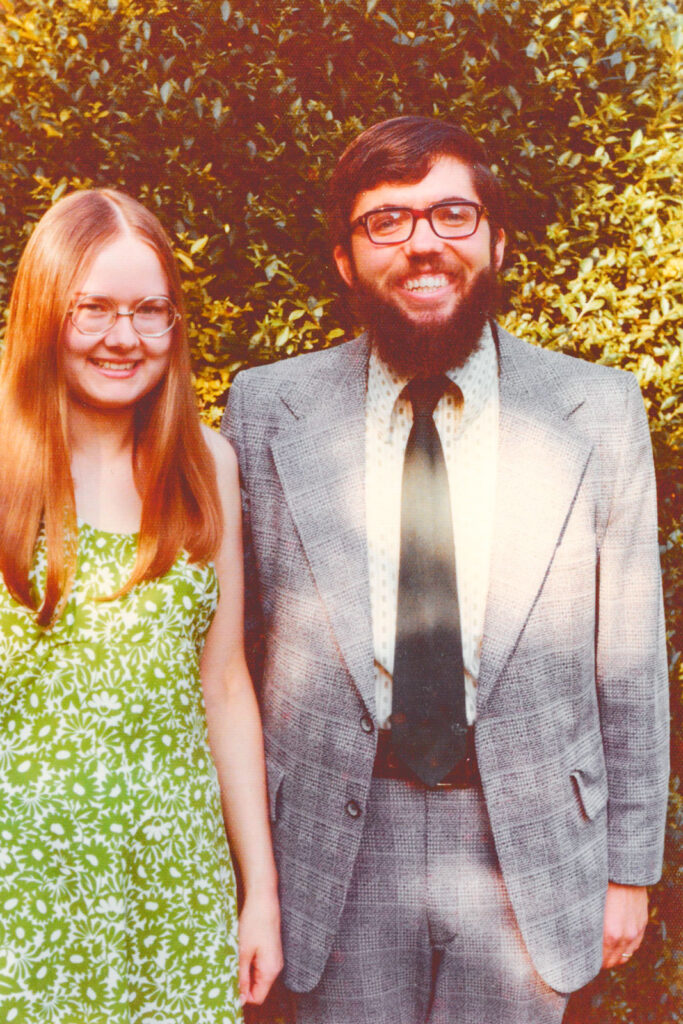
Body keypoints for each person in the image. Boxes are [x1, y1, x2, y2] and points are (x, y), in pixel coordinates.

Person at [222, 116, 669, 1024]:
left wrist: (630, 866)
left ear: (496, 241)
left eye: (451, 214)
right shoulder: (267, 409)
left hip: (530, 847)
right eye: (385, 220)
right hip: (332, 851)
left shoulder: (596, 409)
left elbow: (629, 656)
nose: (423, 242)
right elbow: (229, 650)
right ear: (345, 259)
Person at [0, 189, 282, 1023]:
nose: (123, 338)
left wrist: (256, 891)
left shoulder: (208, 467)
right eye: (93, 309)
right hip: (24, 875)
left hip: (175, 881)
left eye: (149, 311)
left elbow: (225, 683)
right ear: (46, 310)